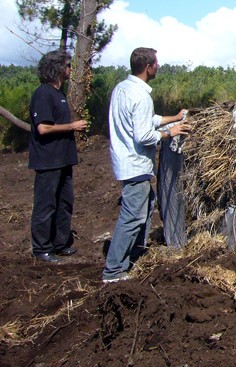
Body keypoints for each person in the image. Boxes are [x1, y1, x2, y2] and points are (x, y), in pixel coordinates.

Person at [102, 47, 190, 283]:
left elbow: (145, 119)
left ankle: (135, 254)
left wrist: (173, 117)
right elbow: (143, 135)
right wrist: (169, 133)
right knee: (131, 216)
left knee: (148, 203)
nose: (158, 66)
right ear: (148, 67)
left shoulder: (123, 89)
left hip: (125, 161)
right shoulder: (141, 96)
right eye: (156, 63)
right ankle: (114, 270)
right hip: (136, 164)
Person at [28, 50, 88, 263]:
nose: (70, 70)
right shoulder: (43, 94)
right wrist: (72, 126)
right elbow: (43, 128)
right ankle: (42, 248)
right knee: (46, 204)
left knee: (64, 202)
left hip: (63, 159)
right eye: (68, 66)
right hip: (48, 160)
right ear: (57, 69)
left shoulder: (59, 94)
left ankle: (60, 243)